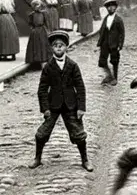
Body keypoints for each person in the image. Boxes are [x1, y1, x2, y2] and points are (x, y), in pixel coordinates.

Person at [31, 29, 92, 171]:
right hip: (53, 105)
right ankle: (37, 158)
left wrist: (81, 107)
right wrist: (45, 108)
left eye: (61, 45)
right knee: (42, 133)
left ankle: (85, 160)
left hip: (71, 104)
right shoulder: (48, 67)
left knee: (79, 134)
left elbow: (80, 87)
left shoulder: (72, 65)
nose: (58, 47)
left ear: (66, 47)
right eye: (55, 45)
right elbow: (42, 89)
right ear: (51, 48)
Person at [97, 0, 125, 85]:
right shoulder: (106, 18)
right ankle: (109, 75)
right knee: (102, 62)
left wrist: (120, 45)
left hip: (114, 43)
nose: (110, 8)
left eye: (112, 6)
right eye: (108, 7)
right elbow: (102, 30)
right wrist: (100, 42)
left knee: (114, 61)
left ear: (115, 8)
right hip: (105, 43)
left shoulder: (118, 19)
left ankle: (115, 78)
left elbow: (122, 33)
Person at [26, 0, 51, 69]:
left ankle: (44, 61)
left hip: (42, 30)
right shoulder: (31, 15)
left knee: (43, 45)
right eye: (35, 5)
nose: (37, 7)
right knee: (35, 46)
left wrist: (48, 31)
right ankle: (35, 62)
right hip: (35, 31)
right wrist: (33, 29)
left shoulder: (44, 13)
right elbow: (30, 23)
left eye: (38, 5)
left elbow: (46, 23)